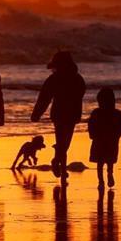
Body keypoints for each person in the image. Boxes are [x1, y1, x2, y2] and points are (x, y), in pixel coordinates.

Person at [31, 51, 86, 185]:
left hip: (62, 113)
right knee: (64, 143)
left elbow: (44, 98)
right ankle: (60, 167)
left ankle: (57, 162)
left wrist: (37, 113)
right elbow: (45, 97)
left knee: (63, 143)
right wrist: (37, 113)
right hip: (68, 114)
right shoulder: (77, 78)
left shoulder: (56, 79)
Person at [87, 88, 121, 189]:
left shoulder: (96, 112)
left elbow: (90, 124)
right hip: (109, 141)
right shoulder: (116, 113)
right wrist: (117, 135)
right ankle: (107, 176)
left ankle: (102, 181)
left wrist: (92, 134)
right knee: (109, 162)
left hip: (101, 140)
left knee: (101, 163)